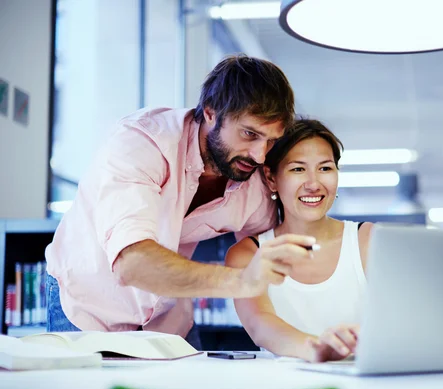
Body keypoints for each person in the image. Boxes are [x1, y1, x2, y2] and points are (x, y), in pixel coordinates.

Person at [45, 55, 318, 349]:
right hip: (86, 308)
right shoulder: (140, 143)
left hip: (168, 320)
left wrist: (314, 339)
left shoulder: (254, 182)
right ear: (211, 113)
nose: (260, 155)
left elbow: (273, 254)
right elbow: (132, 263)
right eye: (249, 134)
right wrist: (241, 280)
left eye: (271, 141)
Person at [225, 119, 374, 362]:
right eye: (298, 169)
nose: (314, 184)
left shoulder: (368, 240)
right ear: (271, 178)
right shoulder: (248, 254)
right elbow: (260, 325)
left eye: (325, 168)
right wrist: (317, 349)